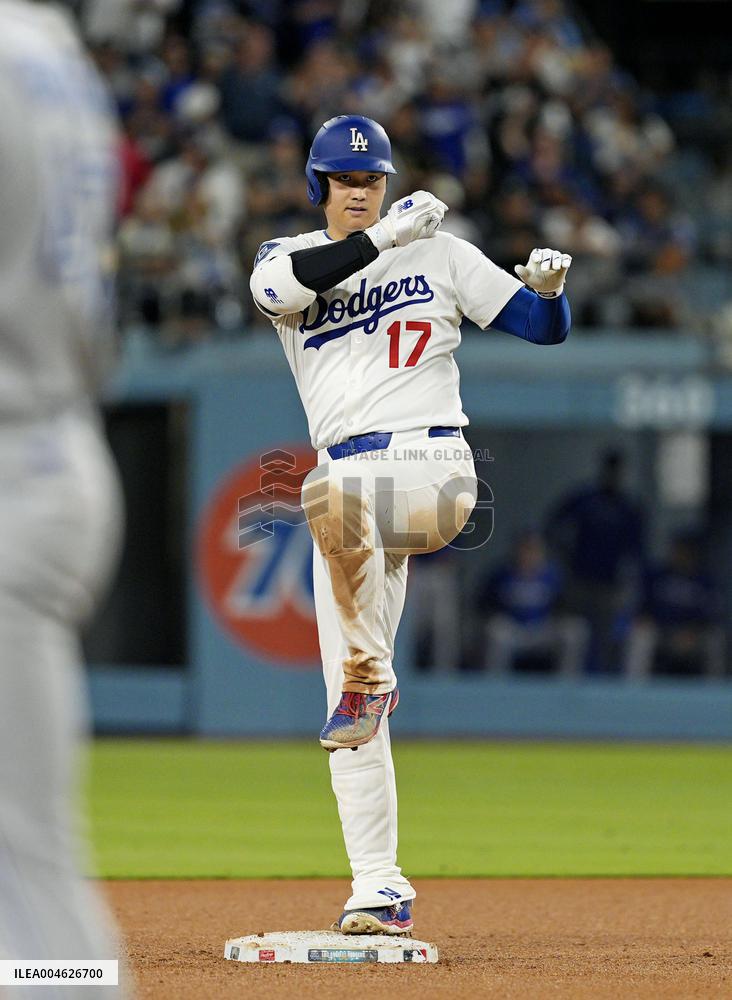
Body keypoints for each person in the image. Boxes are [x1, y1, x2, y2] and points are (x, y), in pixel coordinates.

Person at [250, 114, 573, 937]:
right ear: (319, 186)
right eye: (345, 180)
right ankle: (379, 890)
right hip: (352, 490)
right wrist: (385, 238)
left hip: (433, 470)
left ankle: (370, 675)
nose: (360, 190)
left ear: (386, 181)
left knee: (325, 501)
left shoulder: (441, 251)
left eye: (372, 179)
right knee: (347, 711)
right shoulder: (284, 257)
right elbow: (283, 292)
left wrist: (547, 292)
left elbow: (538, 330)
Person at [0, 2, 129, 994]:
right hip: (53, 443)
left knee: (25, 876)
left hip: (14, 469)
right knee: (29, 862)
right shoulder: (48, 46)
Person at [548, 449, 644, 672]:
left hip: (609, 584)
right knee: (573, 632)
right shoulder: (585, 500)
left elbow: (637, 550)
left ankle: (600, 681)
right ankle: (569, 682)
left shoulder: (627, 507)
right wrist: (567, 557)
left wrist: (627, 576)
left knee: (604, 636)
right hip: (579, 578)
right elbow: (554, 527)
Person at [477, 529, 590, 676]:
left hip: (542, 630)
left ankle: (565, 686)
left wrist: (558, 618)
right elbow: (483, 604)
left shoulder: (553, 575)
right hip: (514, 631)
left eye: (534, 550)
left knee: (576, 630)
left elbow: (567, 606)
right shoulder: (501, 574)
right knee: (497, 632)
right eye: (525, 550)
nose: (529, 555)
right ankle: (495, 685)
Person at [624, 531, 725, 680]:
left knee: (716, 639)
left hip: (692, 635)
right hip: (661, 632)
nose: (679, 555)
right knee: (641, 633)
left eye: (684, 551)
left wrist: (693, 631)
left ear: (694, 554)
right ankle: (634, 686)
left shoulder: (705, 581)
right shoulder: (656, 575)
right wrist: (645, 619)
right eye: (677, 550)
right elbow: (642, 606)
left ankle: (714, 692)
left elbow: (712, 614)